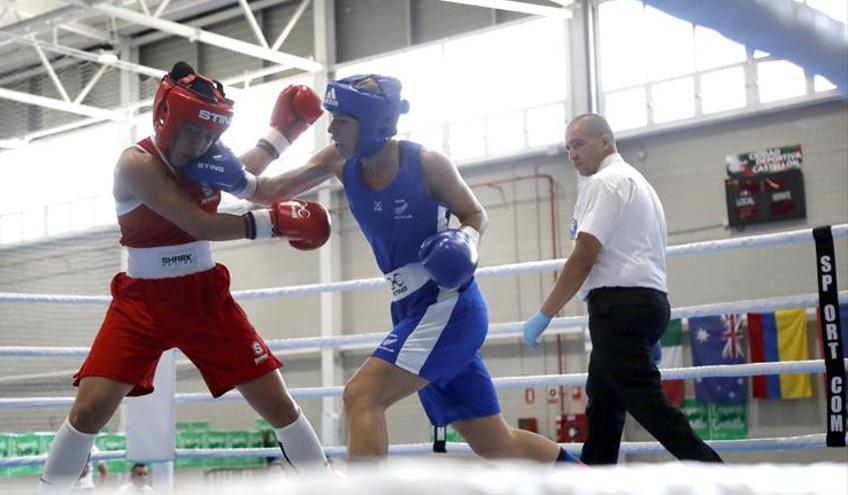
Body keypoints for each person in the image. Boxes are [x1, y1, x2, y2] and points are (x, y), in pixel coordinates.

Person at [183, 74, 580, 464]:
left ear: (376, 126)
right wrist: (230, 173)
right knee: (495, 443)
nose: (331, 128)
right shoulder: (338, 159)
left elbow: (475, 213)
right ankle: (582, 480)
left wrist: (467, 240)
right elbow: (268, 190)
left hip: (449, 306)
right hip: (411, 309)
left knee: (362, 396)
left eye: (342, 120)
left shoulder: (426, 163)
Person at [37, 61, 332, 493]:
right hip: (142, 302)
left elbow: (247, 178)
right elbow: (199, 223)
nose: (202, 144)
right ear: (164, 118)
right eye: (194, 132)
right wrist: (273, 224)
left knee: (278, 404)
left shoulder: (205, 155)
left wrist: (282, 133)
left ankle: (327, 485)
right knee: (89, 409)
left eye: (211, 136)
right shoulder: (135, 163)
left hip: (204, 297)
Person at [521, 113, 723, 465]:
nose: (572, 154)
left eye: (578, 144)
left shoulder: (605, 183)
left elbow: (584, 256)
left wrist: (545, 313)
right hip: (646, 301)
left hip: (619, 307)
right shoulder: (639, 184)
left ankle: (718, 476)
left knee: (647, 403)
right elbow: (643, 252)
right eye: (568, 147)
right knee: (604, 405)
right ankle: (595, 480)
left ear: (605, 141)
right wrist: (648, 326)